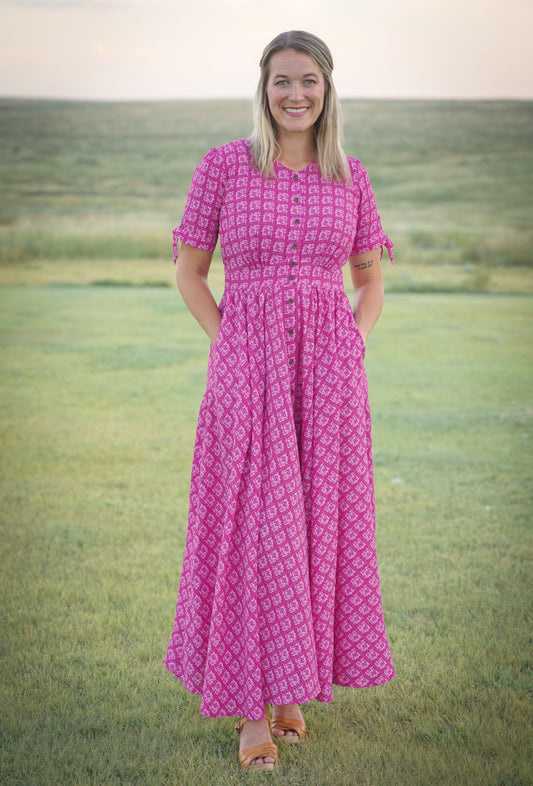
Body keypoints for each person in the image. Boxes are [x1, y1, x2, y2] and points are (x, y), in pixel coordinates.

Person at [164, 30, 395, 773]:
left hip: (327, 375)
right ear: (263, 90)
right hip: (246, 368)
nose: (295, 94)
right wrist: (225, 341)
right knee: (255, 528)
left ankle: (293, 687)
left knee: (312, 528)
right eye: (280, 82)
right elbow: (191, 271)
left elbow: (369, 278)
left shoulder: (349, 176)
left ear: (327, 90)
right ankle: (248, 710)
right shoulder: (225, 166)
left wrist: (353, 341)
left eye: (308, 82)